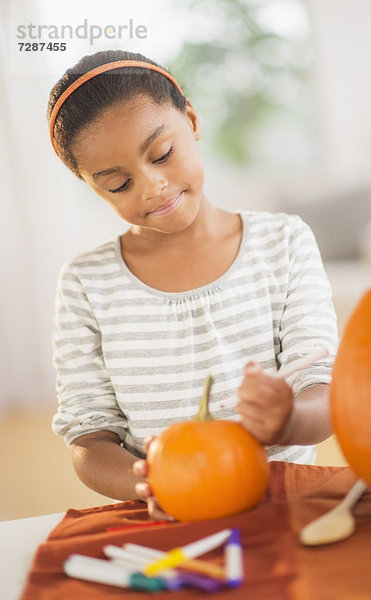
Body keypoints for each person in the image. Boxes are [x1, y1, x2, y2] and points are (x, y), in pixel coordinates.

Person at [48, 49, 338, 520]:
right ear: (92, 186)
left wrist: (288, 418)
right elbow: (89, 436)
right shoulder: (86, 283)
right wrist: (148, 480)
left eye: (162, 154)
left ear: (191, 120)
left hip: (284, 508)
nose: (152, 186)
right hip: (168, 513)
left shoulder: (284, 242)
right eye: (118, 184)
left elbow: (322, 392)